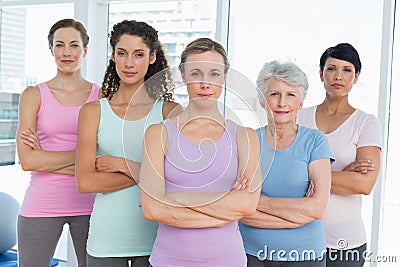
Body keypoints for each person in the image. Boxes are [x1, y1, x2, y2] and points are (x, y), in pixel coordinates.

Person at [139, 37, 262, 267]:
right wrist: (225, 204)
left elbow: (246, 206)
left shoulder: (245, 136)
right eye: (196, 73)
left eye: (214, 74)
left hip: (228, 261)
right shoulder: (158, 134)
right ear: (183, 76)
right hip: (169, 260)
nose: (205, 83)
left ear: (225, 77)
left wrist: (175, 199)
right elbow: (152, 208)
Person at [75, 20, 181, 267]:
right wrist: (150, 173)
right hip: (105, 241)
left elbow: (178, 178)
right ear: (113, 56)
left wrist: (121, 164)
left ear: (152, 57)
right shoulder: (93, 112)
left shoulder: (171, 113)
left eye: (138, 54)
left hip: (158, 240)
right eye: (122, 53)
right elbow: (85, 182)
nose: (129, 63)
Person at [16, 18, 100, 267]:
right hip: (41, 202)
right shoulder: (33, 95)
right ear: (51, 49)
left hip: (91, 204)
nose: (66, 52)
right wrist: (85, 159)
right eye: (59, 45)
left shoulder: (101, 96)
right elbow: (28, 160)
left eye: (74, 45)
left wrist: (46, 158)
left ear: (85, 49)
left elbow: (104, 157)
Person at [239, 60, 333, 266]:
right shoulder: (248, 141)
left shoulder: (315, 141)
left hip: (305, 256)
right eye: (274, 94)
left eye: (291, 95)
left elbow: (317, 208)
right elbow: (238, 210)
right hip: (249, 253)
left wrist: (255, 202)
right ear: (263, 100)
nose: (282, 103)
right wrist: (298, 213)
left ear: (300, 102)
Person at [297, 43, 382, 267]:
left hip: (345, 243)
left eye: (347, 70)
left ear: (356, 77)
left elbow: (364, 184)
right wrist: (342, 174)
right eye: (331, 68)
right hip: (297, 236)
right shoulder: (298, 117)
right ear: (320, 73)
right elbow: (279, 172)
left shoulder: (366, 123)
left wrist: (306, 173)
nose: (339, 76)